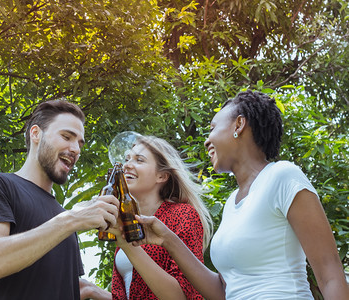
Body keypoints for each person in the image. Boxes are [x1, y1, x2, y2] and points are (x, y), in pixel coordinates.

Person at [132, 90, 349, 299]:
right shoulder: (231, 203)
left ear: (239, 124)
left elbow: (330, 275)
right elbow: (225, 291)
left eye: (213, 128)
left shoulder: (283, 176)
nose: (207, 141)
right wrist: (169, 239)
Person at [0, 100, 118, 299]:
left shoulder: (64, 217)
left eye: (79, 143)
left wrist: (94, 291)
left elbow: (61, 286)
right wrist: (72, 220)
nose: (76, 149)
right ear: (36, 134)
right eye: (66, 136)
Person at [107, 135, 213, 299]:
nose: (126, 165)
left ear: (162, 176)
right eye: (127, 159)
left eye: (139, 160)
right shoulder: (127, 220)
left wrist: (127, 246)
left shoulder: (183, 215)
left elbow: (182, 296)